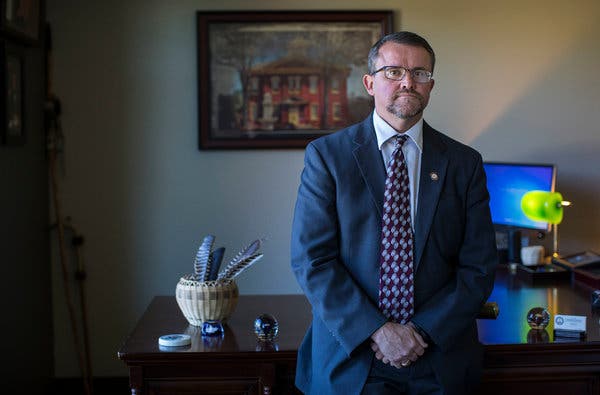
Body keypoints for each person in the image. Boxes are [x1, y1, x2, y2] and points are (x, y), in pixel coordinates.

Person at [290, 31, 498, 395]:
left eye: (420, 73)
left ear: (431, 85)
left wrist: (419, 332)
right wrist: (379, 331)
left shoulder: (464, 163)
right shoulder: (327, 156)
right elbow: (313, 260)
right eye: (393, 72)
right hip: (351, 358)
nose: (408, 82)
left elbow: (478, 266)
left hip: (439, 359)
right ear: (370, 83)